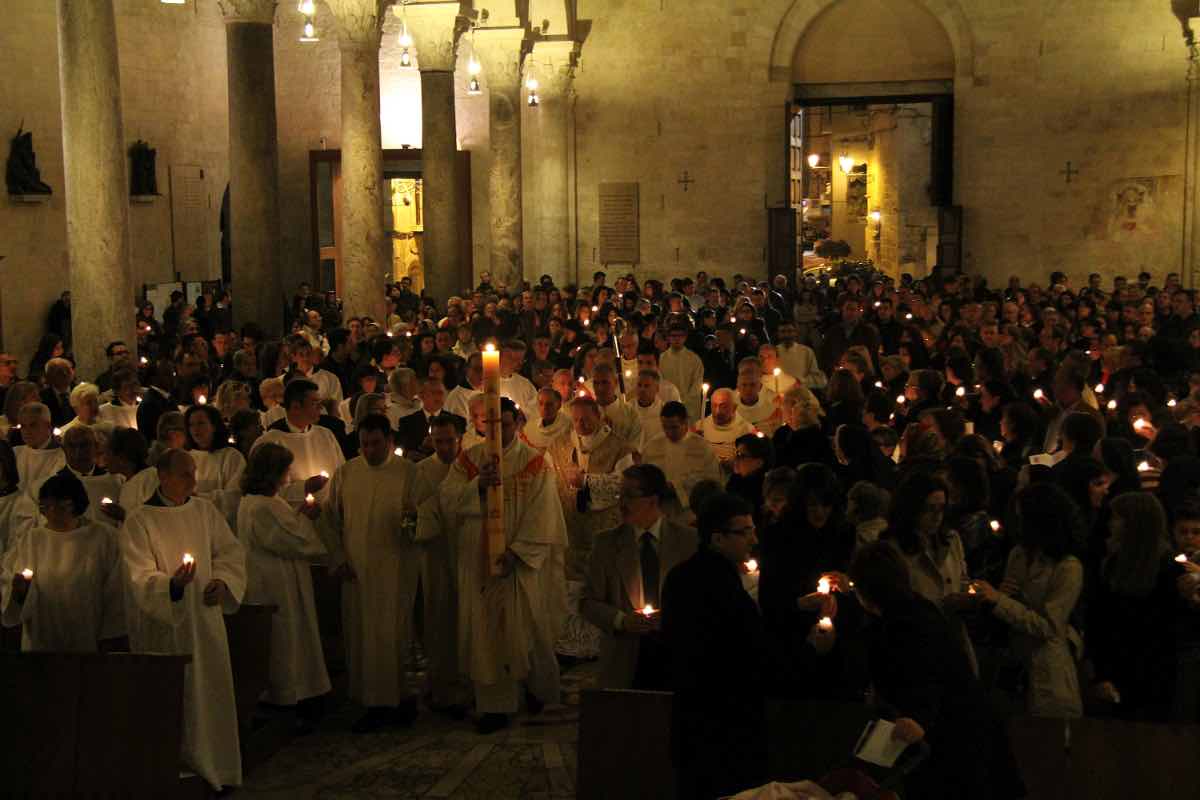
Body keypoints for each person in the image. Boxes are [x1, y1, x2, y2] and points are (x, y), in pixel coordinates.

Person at [662, 491, 834, 800]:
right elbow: (752, 656)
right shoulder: (722, 587)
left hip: (691, 722)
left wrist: (794, 608)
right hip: (727, 729)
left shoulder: (681, 576)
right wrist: (810, 649)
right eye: (745, 532)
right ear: (717, 538)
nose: (754, 539)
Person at [848, 541, 1021, 800]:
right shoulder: (917, 610)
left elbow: (925, 676)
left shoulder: (902, 627)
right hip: (968, 737)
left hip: (954, 746)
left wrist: (918, 717)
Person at [440, 397, 568, 734]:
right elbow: (447, 501)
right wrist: (476, 487)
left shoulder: (534, 462)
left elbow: (544, 515)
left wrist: (519, 552)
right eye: (492, 425)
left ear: (519, 423)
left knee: (528, 627)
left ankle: (537, 690)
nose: (499, 431)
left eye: (506, 424)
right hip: (478, 559)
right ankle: (494, 704)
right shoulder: (469, 460)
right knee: (485, 632)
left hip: (518, 563)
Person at [121, 449, 247, 793]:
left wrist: (222, 581)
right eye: (184, 475)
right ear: (162, 476)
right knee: (176, 698)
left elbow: (229, 552)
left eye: (193, 474)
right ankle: (178, 770)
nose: (193, 481)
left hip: (205, 620)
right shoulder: (140, 520)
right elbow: (138, 576)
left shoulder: (205, 510)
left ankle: (218, 765)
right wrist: (171, 586)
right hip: (165, 627)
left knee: (209, 692)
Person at [321, 413, 421, 733]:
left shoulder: (408, 473)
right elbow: (329, 520)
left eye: (375, 443)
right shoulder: (347, 473)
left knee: (393, 635)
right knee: (362, 636)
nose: (369, 450)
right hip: (357, 570)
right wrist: (338, 557)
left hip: (395, 568)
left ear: (389, 441)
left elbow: (420, 516)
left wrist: (412, 526)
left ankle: (398, 698)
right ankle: (370, 702)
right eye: (363, 443)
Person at [237, 442, 330, 733]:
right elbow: (290, 539)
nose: (289, 473)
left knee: (292, 634)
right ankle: (287, 697)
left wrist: (300, 512)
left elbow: (287, 526)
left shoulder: (261, 501)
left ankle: (299, 693)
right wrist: (308, 518)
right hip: (274, 581)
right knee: (286, 638)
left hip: (281, 577)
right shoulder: (260, 506)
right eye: (285, 469)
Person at [970, 483, 1084, 717]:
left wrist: (1000, 601)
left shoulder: (1068, 567)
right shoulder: (1019, 554)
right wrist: (1004, 594)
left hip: (1046, 673)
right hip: (1012, 667)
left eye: (1023, 518)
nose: (1018, 524)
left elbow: (1050, 626)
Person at [582, 464, 697, 689]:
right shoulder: (605, 544)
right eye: (620, 494)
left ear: (653, 500)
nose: (621, 503)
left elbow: (701, 597)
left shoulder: (689, 541)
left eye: (629, 496)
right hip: (625, 655)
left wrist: (675, 618)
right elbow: (588, 602)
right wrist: (621, 620)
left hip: (677, 653)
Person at [1, 472, 125, 652]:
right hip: (43, 636)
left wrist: (110, 636)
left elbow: (116, 590)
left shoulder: (104, 537)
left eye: (59, 507)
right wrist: (20, 593)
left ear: (76, 504)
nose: (51, 513)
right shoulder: (32, 540)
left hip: (90, 634)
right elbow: (14, 589)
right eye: (45, 507)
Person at [1087, 491, 1183, 720]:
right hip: (1120, 670)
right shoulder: (1112, 565)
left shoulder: (1167, 570)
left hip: (1154, 675)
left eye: (1117, 518)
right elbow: (1100, 622)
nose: (1111, 524)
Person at [411, 413, 469, 714]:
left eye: (450, 441)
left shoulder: (471, 467)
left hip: (467, 553)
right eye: (438, 441)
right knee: (438, 617)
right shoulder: (421, 472)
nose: (444, 447)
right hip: (434, 556)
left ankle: (470, 681)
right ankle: (442, 684)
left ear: (460, 439)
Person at [547, 396, 636, 579]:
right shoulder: (558, 446)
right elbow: (546, 481)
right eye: (576, 420)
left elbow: (625, 484)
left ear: (599, 417)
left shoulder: (619, 447)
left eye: (586, 419)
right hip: (570, 529)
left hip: (605, 527)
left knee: (603, 579)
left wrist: (587, 482)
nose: (580, 424)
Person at [255, 379, 344, 505]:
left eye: (320, 402)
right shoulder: (270, 442)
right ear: (296, 407)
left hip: (329, 514)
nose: (321, 407)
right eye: (314, 403)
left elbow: (341, 474)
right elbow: (265, 491)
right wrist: (305, 487)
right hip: (292, 516)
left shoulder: (325, 435)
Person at [641, 401, 722, 518]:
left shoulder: (702, 447)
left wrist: (676, 487)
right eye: (665, 427)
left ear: (685, 422)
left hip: (690, 511)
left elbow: (711, 481)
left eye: (674, 427)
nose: (669, 432)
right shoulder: (652, 446)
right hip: (660, 509)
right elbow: (644, 476)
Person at [13, 402, 64, 494]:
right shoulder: (15, 453)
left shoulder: (62, 457)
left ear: (48, 426)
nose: (27, 432)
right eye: (23, 426)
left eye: (33, 425)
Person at [660, 323, 706, 421]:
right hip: (667, 404)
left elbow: (697, 384)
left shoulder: (694, 359)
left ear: (685, 337)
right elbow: (660, 382)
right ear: (668, 338)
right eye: (673, 336)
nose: (677, 339)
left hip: (689, 408)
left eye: (680, 336)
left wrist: (685, 402)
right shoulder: (661, 359)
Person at [699, 388, 754, 469]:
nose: (717, 412)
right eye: (714, 406)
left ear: (734, 408)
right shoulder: (700, 426)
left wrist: (735, 463)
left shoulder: (747, 430)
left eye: (723, 406)